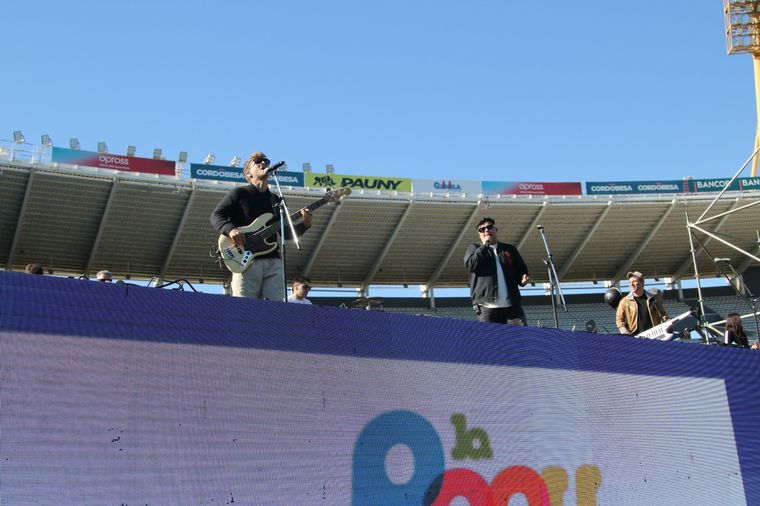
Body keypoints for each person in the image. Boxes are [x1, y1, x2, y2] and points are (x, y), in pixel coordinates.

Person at [210, 151, 312, 299]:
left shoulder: (275, 199)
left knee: (274, 310)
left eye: (266, 161)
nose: (263, 163)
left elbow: (285, 233)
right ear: (249, 173)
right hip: (246, 261)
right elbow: (216, 215)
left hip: (273, 262)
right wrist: (231, 230)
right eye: (257, 161)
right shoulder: (239, 193)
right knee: (245, 310)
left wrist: (305, 224)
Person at [464, 217, 530, 325]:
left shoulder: (509, 249)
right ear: (479, 234)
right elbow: (471, 265)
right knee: (492, 341)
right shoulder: (474, 248)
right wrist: (484, 247)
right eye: (482, 229)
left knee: (520, 339)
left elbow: (521, 269)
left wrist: (523, 278)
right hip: (487, 308)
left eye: (489, 227)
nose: (486, 230)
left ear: (495, 229)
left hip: (512, 307)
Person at [616, 271, 669, 335]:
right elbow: (619, 319)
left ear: (642, 282)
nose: (631, 284)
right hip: (635, 337)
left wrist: (668, 323)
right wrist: (624, 331)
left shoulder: (654, 299)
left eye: (634, 281)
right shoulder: (624, 301)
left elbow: (663, 314)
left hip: (654, 335)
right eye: (629, 282)